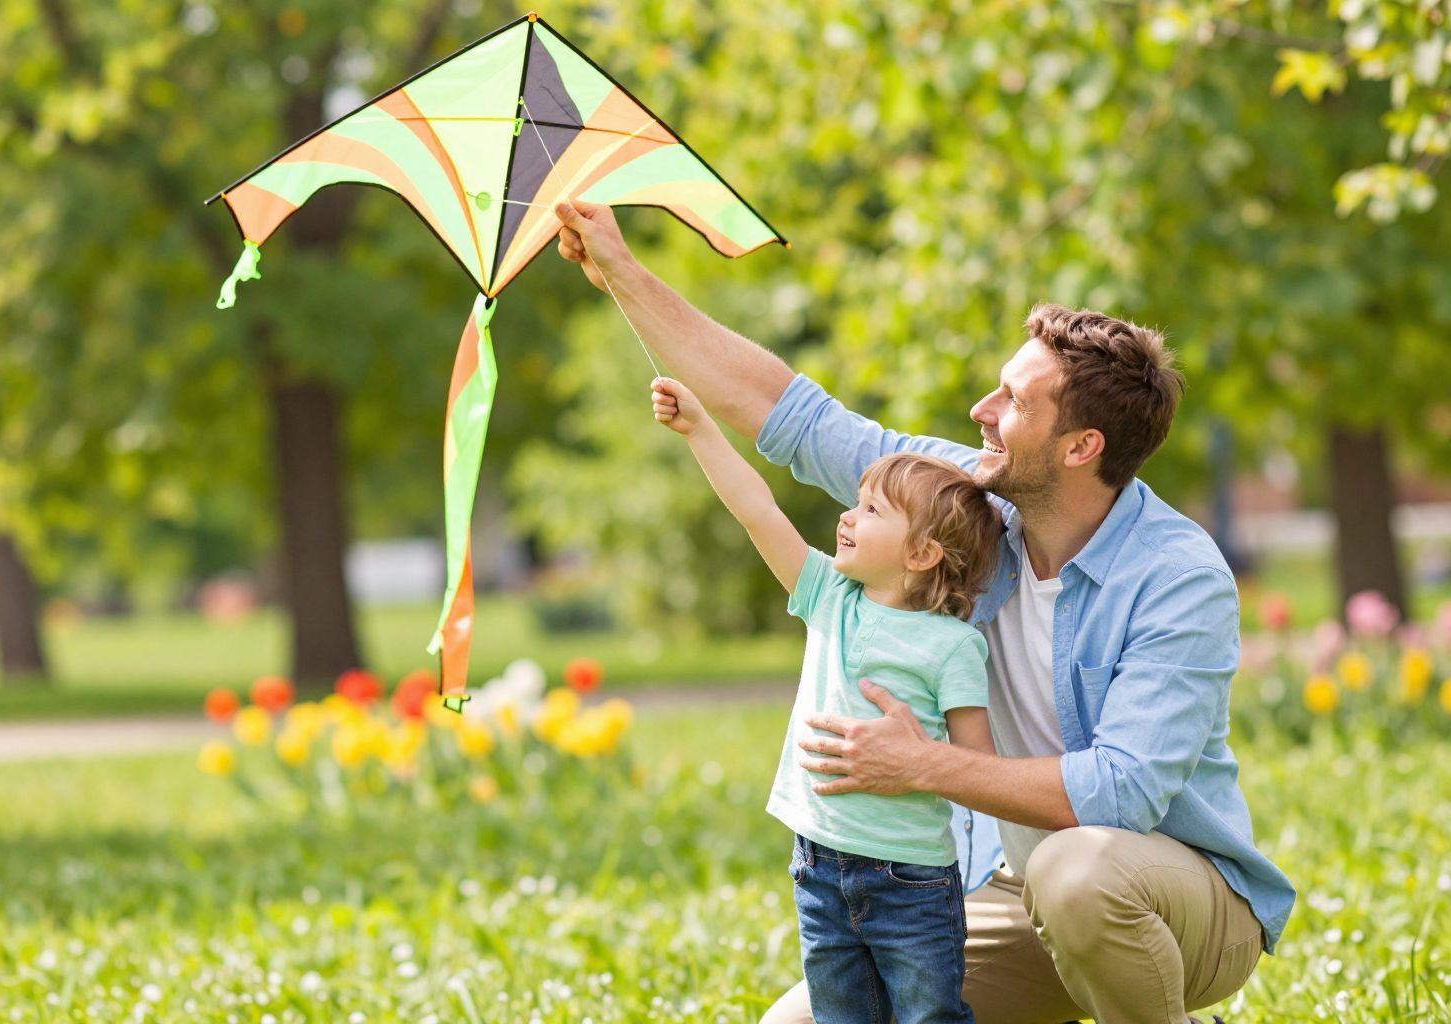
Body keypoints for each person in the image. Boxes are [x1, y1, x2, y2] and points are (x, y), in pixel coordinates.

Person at [554, 199, 1295, 1024]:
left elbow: (1118, 793)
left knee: (1077, 873)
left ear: (1081, 446)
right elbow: (788, 413)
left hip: (1182, 905)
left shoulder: (1177, 575)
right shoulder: (962, 505)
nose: (982, 409)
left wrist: (923, 764)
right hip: (1014, 893)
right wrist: (622, 271)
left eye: (1013, 401)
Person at [654, 374, 1002, 1023]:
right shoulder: (828, 598)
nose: (847, 515)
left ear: (922, 553)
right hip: (818, 865)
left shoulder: (954, 646)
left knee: (929, 1016)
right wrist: (700, 428)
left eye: (871, 510)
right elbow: (758, 511)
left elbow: (979, 769)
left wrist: (918, 760)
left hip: (912, 882)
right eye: (856, 502)